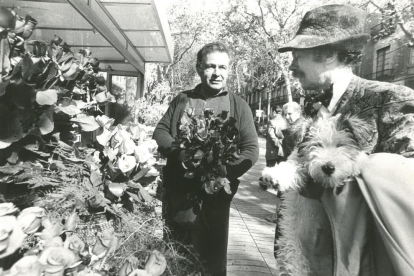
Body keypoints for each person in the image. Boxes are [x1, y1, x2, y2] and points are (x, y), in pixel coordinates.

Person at [272, 4, 414, 276]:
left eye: (298, 57)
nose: (291, 67)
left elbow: (406, 180)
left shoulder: (392, 99)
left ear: (327, 54)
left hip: (359, 263)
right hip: (301, 259)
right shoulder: (312, 106)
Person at [153, 42, 259, 276]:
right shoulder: (182, 100)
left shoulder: (238, 106)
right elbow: (160, 131)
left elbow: (251, 150)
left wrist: (222, 172)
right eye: (211, 67)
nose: (217, 73)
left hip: (214, 200)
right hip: (179, 194)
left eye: (223, 67)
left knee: (211, 263)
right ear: (200, 68)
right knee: (176, 257)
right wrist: (178, 153)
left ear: (229, 70)